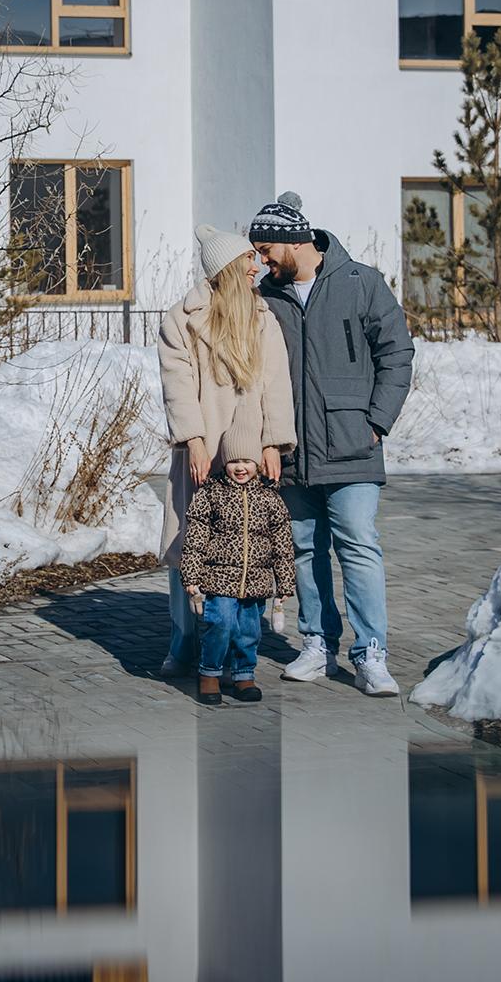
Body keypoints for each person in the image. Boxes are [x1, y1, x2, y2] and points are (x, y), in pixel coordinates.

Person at [249, 190, 415, 697]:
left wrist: (378, 420)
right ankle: (317, 644)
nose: (260, 259)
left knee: (359, 548)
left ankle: (370, 655)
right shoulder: (267, 296)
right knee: (303, 549)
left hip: (351, 445)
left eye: (264, 249)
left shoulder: (360, 282)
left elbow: (397, 352)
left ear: (293, 242)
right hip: (292, 447)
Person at [156, 223, 295, 680]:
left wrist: (272, 442)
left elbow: (275, 384)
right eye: (248, 260)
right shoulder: (182, 317)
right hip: (202, 444)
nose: (257, 266)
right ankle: (185, 642)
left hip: (246, 448)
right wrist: (193, 439)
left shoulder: (262, 317)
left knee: (246, 545)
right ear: (227, 269)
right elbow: (177, 385)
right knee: (191, 543)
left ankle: (239, 652)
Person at [178, 449, 295, 706]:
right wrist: (191, 575)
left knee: (249, 630)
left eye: (246, 461)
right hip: (219, 577)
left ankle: (244, 674)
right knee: (220, 622)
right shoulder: (210, 493)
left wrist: (285, 580)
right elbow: (196, 539)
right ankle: (209, 672)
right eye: (234, 461)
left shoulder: (269, 498)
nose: (240, 468)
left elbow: (283, 544)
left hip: (256, 579)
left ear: (257, 464)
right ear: (225, 463)